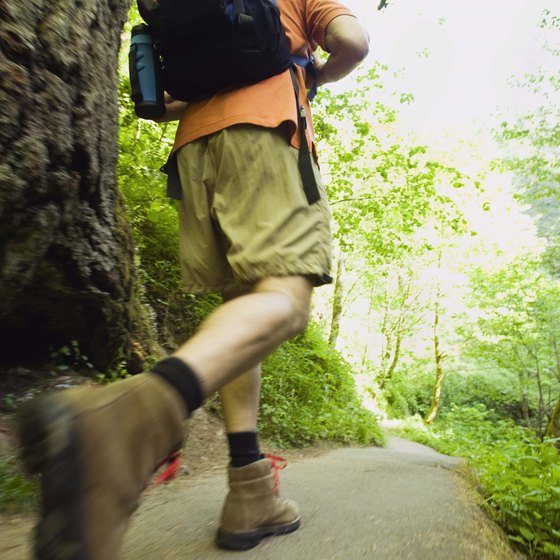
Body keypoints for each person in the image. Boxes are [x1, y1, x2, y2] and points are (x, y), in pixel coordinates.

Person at [19, 1, 369, 558]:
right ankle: (128, 418)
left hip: (195, 153)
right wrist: (315, 76)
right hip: (266, 133)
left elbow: (159, 104)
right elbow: (353, 42)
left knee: (243, 312)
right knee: (286, 297)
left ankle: (248, 490)